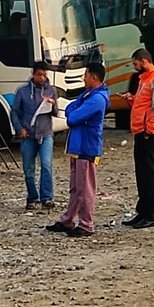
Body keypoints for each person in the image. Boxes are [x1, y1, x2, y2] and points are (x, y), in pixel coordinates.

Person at [46, 63, 109, 238]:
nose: (83, 78)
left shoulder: (96, 99)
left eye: (86, 75)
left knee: (86, 187)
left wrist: (74, 111)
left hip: (86, 148)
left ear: (94, 77)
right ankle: (67, 219)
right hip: (77, 146)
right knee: (75, 187)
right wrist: (74, 110)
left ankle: (86, 223)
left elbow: (72, 117)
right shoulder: (88, 95)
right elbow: (72, 108)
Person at [122, 49, 154, 229]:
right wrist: (132, 99)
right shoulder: (145, 79)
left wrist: (149, 129)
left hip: (149, 132)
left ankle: (151, 214)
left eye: (135, 64)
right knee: (141, 173)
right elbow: (145, 104)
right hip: (141, 130)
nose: (134, 67)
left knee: (148, 173)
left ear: (143, 61)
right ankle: (142, 212)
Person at [11, 61, 58, 211]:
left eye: (44, 75)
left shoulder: (51, 90)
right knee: (28, 169)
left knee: (46, 165)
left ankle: (47, 197)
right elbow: (15, 112)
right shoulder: (23, 91)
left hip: (45, 133)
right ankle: (32, 197)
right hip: (28, 135)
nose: (42, 78)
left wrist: (52, 104)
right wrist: (19, 129)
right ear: (33, 74)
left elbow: (56, 112)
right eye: (39, 74)